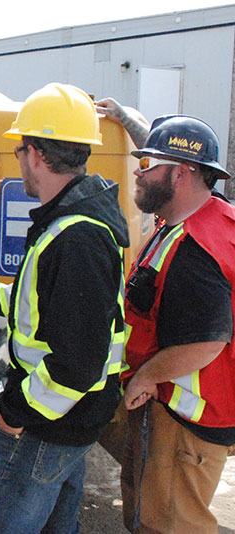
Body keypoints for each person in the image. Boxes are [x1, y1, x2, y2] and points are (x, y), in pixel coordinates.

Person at [0, 83, 129, 533]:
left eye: (19, 150)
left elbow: (75, 363)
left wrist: (13, 414)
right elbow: (41, 303)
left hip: (45, 425)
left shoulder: (77, 237)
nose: (19, 160)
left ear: (35, 153)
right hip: (68, 420)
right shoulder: (72, 221)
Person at [119, 114, 235, 533]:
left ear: (181, 174)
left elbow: (207, 343)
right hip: (177, 408)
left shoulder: (196, 250)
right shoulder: (192, 224)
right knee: (149, 507)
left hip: (186, 419)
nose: (138, 170)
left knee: (171, 523)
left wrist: (145, 377)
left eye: (149, 165)